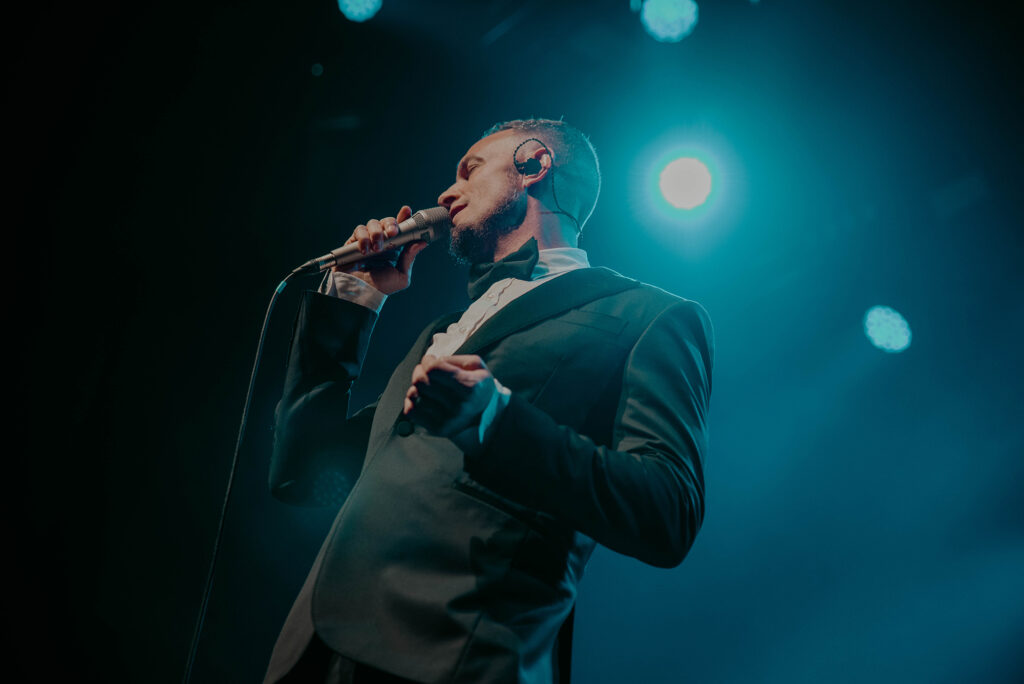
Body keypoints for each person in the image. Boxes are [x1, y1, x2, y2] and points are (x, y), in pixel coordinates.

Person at [264, 118, 714, 684]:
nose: (447, 193)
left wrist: (497, 420)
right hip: (313, 653)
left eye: (470, 170)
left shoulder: (648, 317)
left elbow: (667, 512)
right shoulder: (439, 331)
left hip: (456, 656)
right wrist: (353, 299)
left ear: (533, 164)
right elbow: (305, 474)